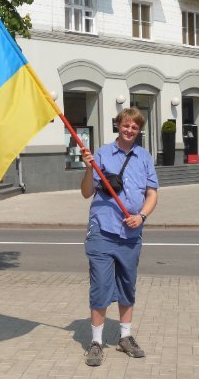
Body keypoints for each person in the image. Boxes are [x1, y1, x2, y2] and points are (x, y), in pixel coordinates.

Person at [80, 107, 159, 366]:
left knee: (127, 284)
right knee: (101, 285)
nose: (129, 130)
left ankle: (125, 337)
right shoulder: (101, 154)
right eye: (126, 125)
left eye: (135, 127)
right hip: (102, 230)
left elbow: (152, 193)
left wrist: (142, 216)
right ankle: (96, 342)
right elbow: (86, 192)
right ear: (118, 125)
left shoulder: (144, 157)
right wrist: (89, 168)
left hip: (131, 233)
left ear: (139, 130)